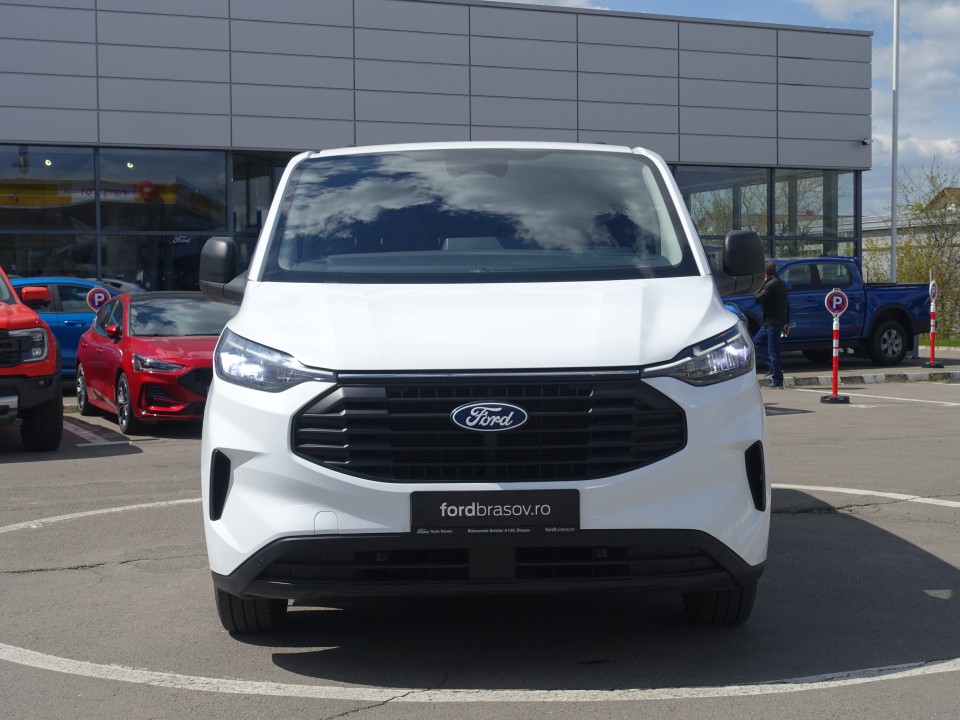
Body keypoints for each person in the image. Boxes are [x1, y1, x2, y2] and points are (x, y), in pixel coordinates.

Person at [752, 261, 790, 388]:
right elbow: (787, 305)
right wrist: (786, 322)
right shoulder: (781, 283)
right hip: (771, 321)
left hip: (773, 321)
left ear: (765, 273)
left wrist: (758, 287)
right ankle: (773, 368)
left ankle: (777, 380)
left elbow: (758, 299)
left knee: (774, 351)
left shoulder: (771, 284)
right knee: (757, 342)